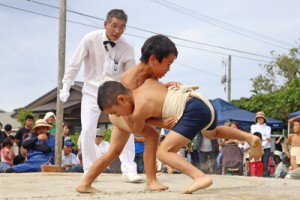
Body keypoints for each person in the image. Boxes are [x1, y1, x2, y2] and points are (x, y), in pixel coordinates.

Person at [76, 34, 262, 194]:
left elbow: (150, 98)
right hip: (119, 112)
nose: (169, 69)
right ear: (153, 60)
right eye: (168, 63)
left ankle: (86, 183)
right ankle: (151, 181)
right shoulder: (128, 81)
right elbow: (133, 112)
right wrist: (160, 122)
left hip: (134, 109)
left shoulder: (151, 77)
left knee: (115, 151)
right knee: (151, 135)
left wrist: (165, 88)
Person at [59, 9, 141, 182]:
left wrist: (133, 97)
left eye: (122, 27)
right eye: (114, 26)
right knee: (88, 129)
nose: (117, 31)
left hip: (116, 93)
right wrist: (66, 85)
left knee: (127, 127)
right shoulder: (90, 39)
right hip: (91, 91)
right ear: (106, 24)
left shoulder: (127, 46)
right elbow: (75, 63)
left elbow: (132, 74)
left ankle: (129, 169)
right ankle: (90, 170)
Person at [251, 111, 271, 177]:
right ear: (256, 119)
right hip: (256, 147)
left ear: (264, 119)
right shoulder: (253, 126)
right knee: (256, 163)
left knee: (265, 163)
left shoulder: (268, 128)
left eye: (261, 117)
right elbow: (255, 136)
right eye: (258, 118)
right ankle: (256, 176)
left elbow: (267, 139)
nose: (260, 119)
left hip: (266, 147)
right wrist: (266, 138)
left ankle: (264, 177)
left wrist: (262, 146)